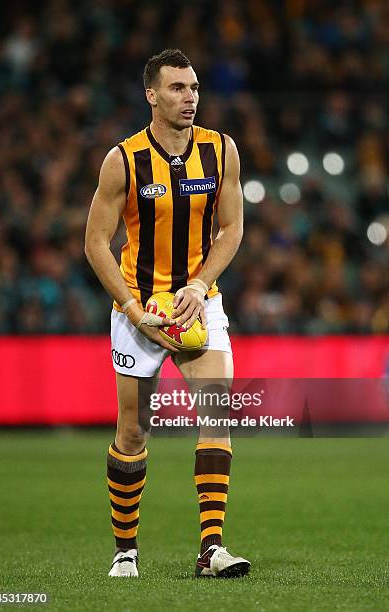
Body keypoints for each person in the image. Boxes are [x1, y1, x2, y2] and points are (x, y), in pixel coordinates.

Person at [85, 48, 250, 578]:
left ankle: (211, 549)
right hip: (140, 309)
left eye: (195, 87)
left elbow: (232, 229)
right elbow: (95, 243)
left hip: (199, 306)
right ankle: (126, 551)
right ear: (151, 95)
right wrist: (134, 311)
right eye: (177, 88)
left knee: (217, 415)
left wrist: (201, 285)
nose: (190, 97)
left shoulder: (222, 150)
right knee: (133, 432)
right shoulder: (124, 159)